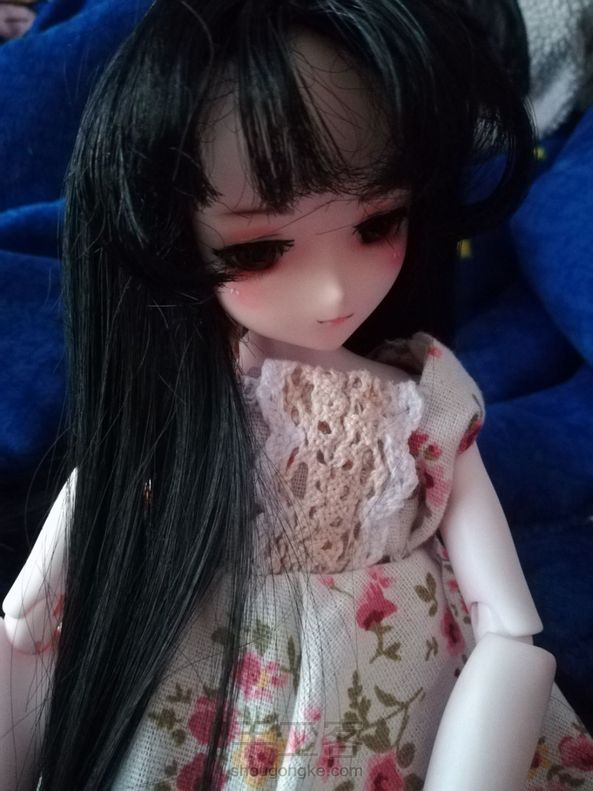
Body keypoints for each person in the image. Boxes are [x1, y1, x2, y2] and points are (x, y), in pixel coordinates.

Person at [1, 1, 591, 789]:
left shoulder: (423, 398)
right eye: (259, 249)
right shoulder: (187, 402)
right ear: (175, 237)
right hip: (206, 681)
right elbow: (36, 610)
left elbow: (508, 625)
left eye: (377, 224)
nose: (333, 290)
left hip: (400, 688)